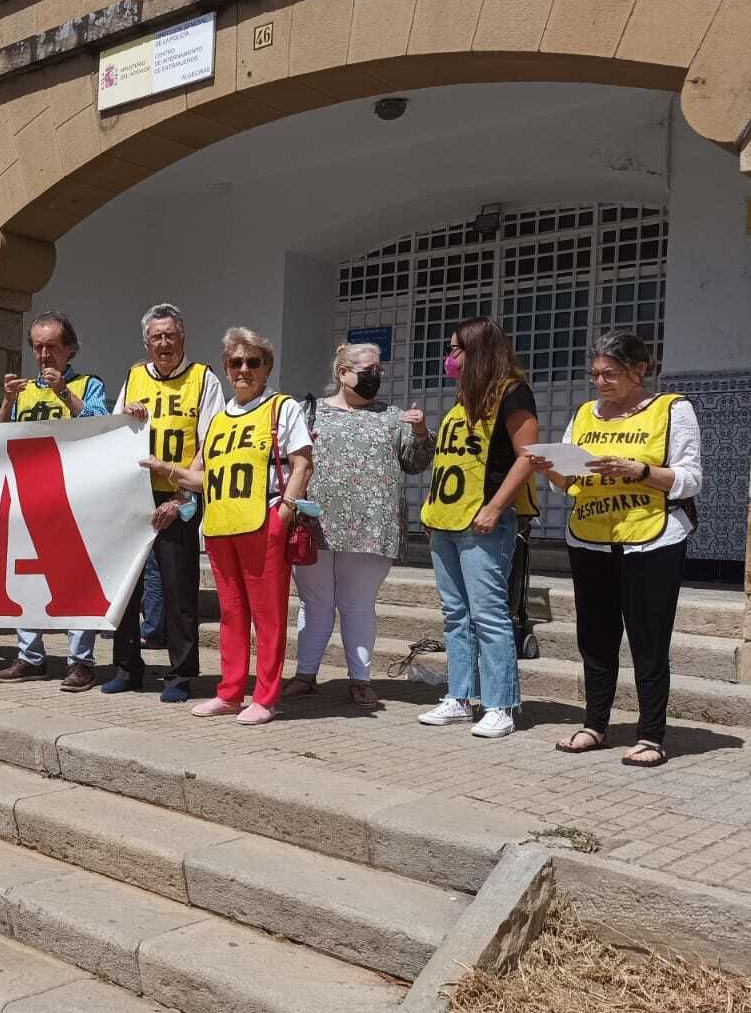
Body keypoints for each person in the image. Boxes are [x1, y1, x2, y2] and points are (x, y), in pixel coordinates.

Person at [531, 331, 700, 769]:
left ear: (639, 370)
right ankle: (594, 724)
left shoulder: (672, 410)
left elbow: (690, 479)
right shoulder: (586, 413)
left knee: (648, 638)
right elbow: (568, 481)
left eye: (609, 374)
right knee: (596, 637)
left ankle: (650, 734)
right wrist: (551, 470)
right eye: (595, 374)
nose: (600, 382)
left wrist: (640, 470)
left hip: (653, 536)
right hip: (590, 535)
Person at [143, 328, 312, 724]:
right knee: (232, 615)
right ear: (225, 367)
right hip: (220, 527)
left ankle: (266, 697)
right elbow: (203, 477)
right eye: (235, 362)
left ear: (266, 367)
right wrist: (166, 469)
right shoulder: (218, 420)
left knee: (267, 615)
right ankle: (230, 692)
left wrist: (284, 512)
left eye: (253, 362)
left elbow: (303, 463)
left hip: (262, 522)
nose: (243, 369)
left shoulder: (282, 408)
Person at [284, 342, 432, 709]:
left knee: (358, 604)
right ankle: (305, 675)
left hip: (372, 527)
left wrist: (421, 432)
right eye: (367, 370)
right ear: (342, 373)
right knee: (314, 603)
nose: (375, 377)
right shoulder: (309, 411)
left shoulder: (393, 416)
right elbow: (289, 460)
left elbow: (416, 464)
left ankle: (360, 680)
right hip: (315, 522)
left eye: (378, 370)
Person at [417, 316, 540, 740]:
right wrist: (433, 506)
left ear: (479, 350)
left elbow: (528, 456)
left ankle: (501, 703)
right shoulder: (461, 400)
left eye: (456, 349)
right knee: (455, 615)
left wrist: (495, 507)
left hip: (484, 523)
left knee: (489, 615)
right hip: (446, 521)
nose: (450, 358)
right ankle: (459, 696)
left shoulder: (513, 393)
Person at [109, 302, 224, 702]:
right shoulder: (134, 376)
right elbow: (116, 433)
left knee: (178, 590)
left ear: (183, 338)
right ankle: (126, 668)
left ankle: (180, 675)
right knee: (127, 587)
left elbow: (210, 442)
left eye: (170, 335)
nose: (163, 343)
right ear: (146, 342)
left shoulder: (203, 379)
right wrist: (127, 414)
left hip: (179, 494)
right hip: (135, 495)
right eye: (156, 337)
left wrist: (181, 496)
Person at [0, 311, 110, 692]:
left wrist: (64, 393)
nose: (43, 356)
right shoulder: (22, 389)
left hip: (75, 496)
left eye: (51, 348)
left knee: (75, 579)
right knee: (25, 577)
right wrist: (8, 403)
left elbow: (101, 424)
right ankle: (30, 656)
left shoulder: (89, 384)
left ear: (69, 349)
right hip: (30, 494)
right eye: (37, 348)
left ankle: (81, 662)